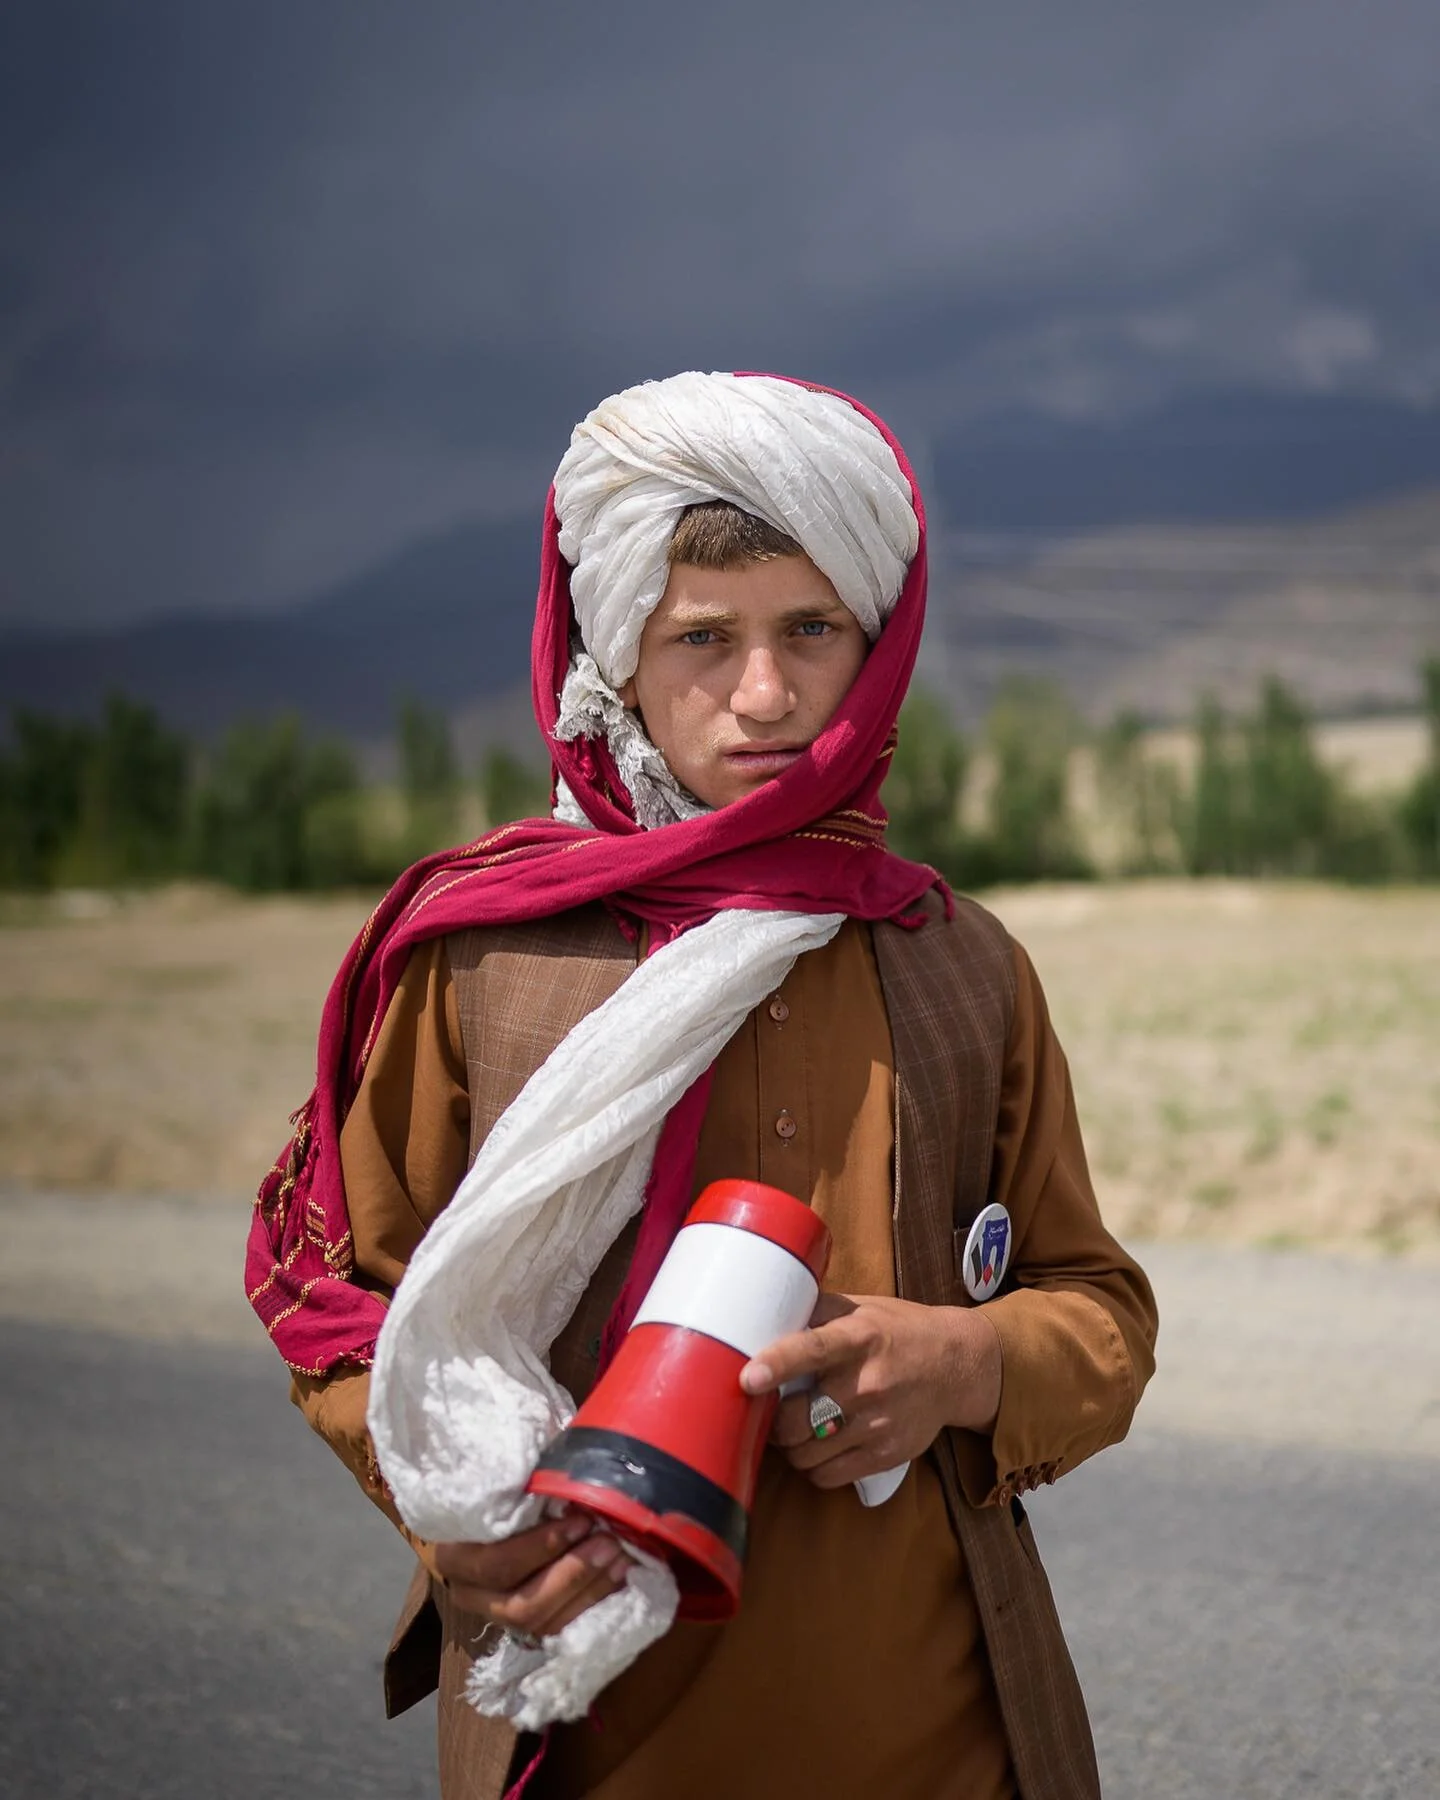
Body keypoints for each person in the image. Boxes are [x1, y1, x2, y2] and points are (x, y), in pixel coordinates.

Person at [245, 371, 1158, 1800]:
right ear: (614, 654)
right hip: (591, 1741)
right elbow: (341, 1310)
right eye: (701, 639)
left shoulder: (960, 965)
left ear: (878, 645)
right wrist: (458, 1514)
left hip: (944, 1743)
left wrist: (964, 1363)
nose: (766, 692)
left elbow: (1099, 1313)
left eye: (812, 630)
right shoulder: (481, 961)